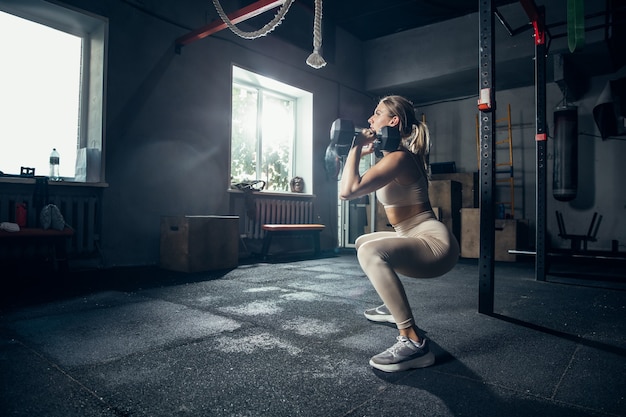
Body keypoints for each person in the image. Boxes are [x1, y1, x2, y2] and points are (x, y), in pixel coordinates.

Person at [339, 95, 459, 372]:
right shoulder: (395, 156)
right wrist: (363, 150)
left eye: (377, 113)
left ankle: (413, 341)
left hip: (433, 242)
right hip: (411, 234)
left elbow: (347, 191)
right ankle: (392, 305)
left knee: (371, 251)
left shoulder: (401, 158)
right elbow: (351, 181)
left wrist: (356, 147)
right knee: (362, 242)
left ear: (393, 121)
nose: (370, 119)